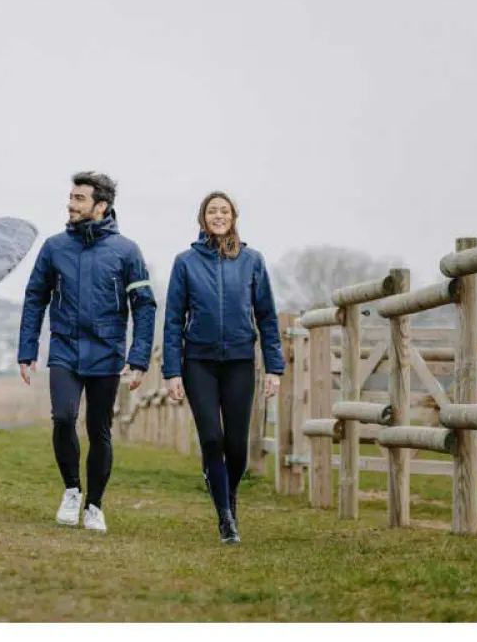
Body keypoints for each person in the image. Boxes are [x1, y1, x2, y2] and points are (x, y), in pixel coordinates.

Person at [18, 172, 157, 532]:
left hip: (107, 353)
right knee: (64, 418)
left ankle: (94, 505)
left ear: (101, 206)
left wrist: (139, 358)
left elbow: (144, 305)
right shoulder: (54, 247)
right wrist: (27, 349)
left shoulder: (127, 251)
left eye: (79, 198)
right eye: (71, 197)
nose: (70, 204)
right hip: (64, 348)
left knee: (99, 430)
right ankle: (71, 491)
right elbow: (35, 298)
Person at [162, 191, 284, 545]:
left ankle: (227, 496)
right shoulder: (185, 262)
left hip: (240, 362)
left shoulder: (252, 261)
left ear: (233, 217)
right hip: (198, 363)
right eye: (212, 211)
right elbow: (173, 320)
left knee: (237, 446)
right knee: (212, 439)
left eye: (224, 211)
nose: (218, 216)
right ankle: (225, 518)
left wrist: (274, 368)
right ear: (203, 218)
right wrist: (172, 371)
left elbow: (267, 317)